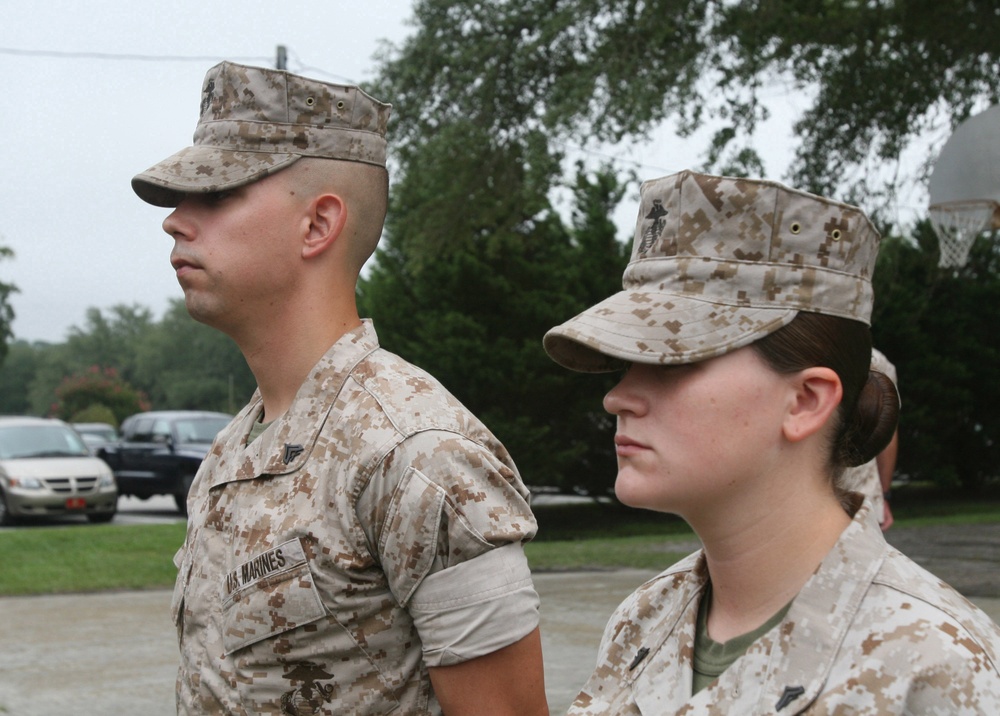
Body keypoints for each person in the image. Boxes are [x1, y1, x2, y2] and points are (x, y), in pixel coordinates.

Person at [131, 61, 548, 716]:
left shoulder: (418, 454)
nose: (176, 222)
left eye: (215, 196)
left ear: (318, 224)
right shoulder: (229, 453)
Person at [543, 170, 1000, 714]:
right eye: (626, 364)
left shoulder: (938, 666)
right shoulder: (643, 619)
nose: (617, 398)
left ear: (805, 400)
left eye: (673, 361)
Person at [842, 348, 900, 530]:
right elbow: (887, 431)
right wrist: (884, 495)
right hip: (864, 496)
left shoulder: (799, 346)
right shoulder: (876, 360)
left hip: (810, 495)